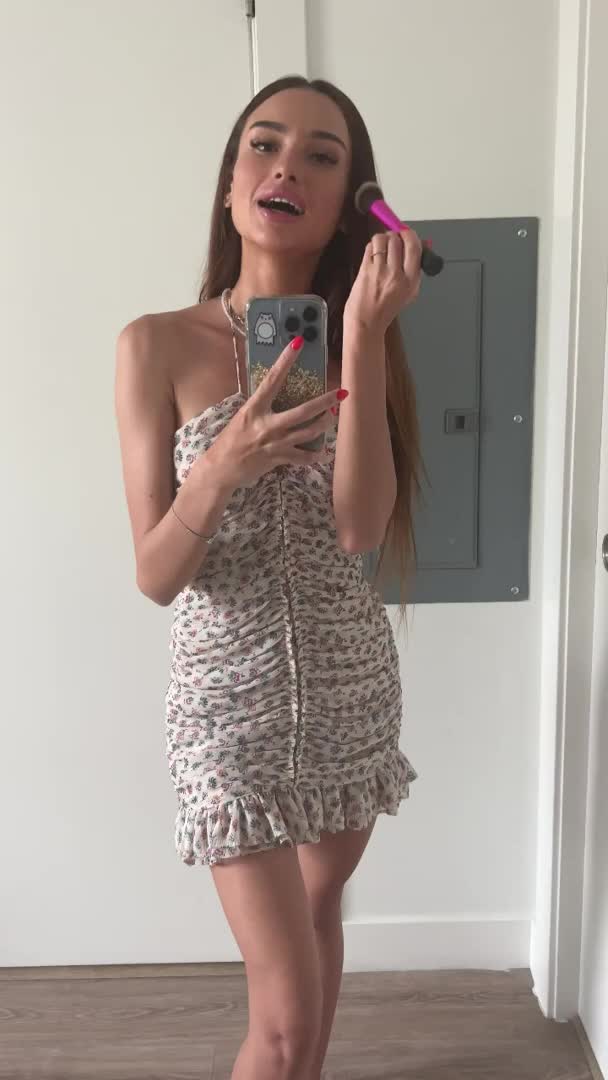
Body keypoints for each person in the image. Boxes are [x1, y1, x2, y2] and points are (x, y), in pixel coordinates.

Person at [115, 74, 422, 1080]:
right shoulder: (155, 345)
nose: (286, 164)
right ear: (230, 182)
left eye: (321, 155)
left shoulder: (356, 334)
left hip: (346, 689)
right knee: (282, 1024)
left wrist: (364, 336)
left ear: (344, 208)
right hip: (226, 707)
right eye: (264, 143)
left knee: (320, 916)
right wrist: (221, 467)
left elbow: (358, 529)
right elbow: (156, 574)